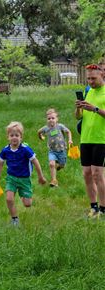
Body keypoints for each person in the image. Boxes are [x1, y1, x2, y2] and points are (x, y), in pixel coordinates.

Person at [0, 122, 47, 226]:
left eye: (17, 135)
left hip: (24, 179)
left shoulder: (25, 149)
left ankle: (23, 195)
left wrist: (41, 176)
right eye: (12, 135)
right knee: (9, 199)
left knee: (27, 204)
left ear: (21, 137)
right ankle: (14, 219)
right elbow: (0, 164)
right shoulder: (5, 150)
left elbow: (35, 161)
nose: (14, 138)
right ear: (8, 137)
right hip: (11, 178)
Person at [75, 64, 105, 219]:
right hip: (85, 138)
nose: (91, 81)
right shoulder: (88, 92)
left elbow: (98, 112)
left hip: (101, 139)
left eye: (93, 78)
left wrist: (94, 109)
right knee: (87, 173)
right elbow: (79, 117)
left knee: (97, 174)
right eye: (88, 78)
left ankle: (103, 209)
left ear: (102, 75)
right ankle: (93, 207)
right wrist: (79, 108)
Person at [36, 108, 73, 187]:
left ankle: (60, 166)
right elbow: (39, 131)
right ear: (46, 120)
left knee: (62, 165)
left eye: (53, 118)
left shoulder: (60, 126)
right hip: (52, 151)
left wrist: (70, 140)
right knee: (51, 164)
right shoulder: (46, 128)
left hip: (62, 150)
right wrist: (41, 137)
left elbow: (68, 131)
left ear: (57, 119)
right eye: (49, 118)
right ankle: (54, 180)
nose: (51, 120)